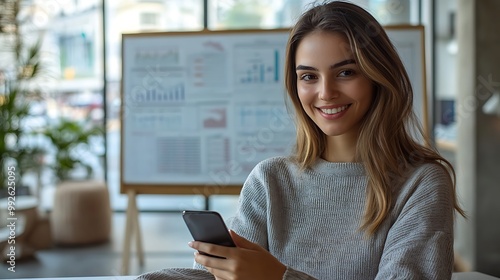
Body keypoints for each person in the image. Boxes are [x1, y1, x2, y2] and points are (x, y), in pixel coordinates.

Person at [137, 1, 465, 279]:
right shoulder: (269, 179)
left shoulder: (421, 183)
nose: (325, 93)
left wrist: (279, 277)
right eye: (308, 76)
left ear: (379, 76)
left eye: (346, 72)